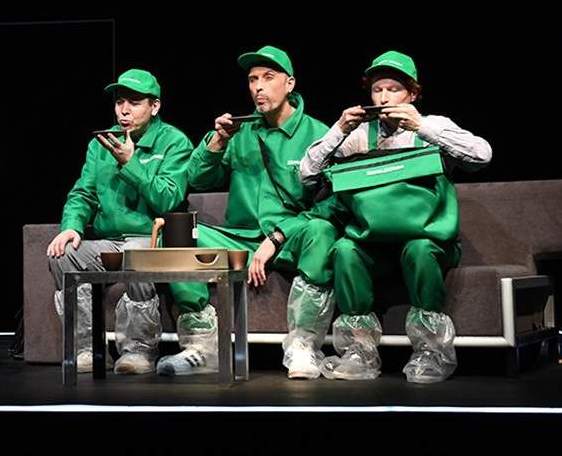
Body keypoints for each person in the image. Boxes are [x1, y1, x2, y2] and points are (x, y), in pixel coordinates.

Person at [299, 50, 492, 383]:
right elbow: (307, 175)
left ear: (412, 94)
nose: (384, 97)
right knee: (345, 249)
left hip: (427, 240)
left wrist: (423, 126)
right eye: (377, 90)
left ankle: (431, 351)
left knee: (418, 249)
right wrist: (339, 129)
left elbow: (482, 155)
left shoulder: (433, 127)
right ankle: (359, 351)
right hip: (374, 244)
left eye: (393, 89)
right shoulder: (359, 134)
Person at [169, 46, 338, 378]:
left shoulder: (320, 134)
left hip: (292, 237)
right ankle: (202, 347)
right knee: (181, 235)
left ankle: (304, 346)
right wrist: (216, 142)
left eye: (268, 78)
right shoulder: (240, 131)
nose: (258, 86)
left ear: (289, 84)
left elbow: (331, 205)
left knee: (324, 231)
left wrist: (277, 236)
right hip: (242, 238)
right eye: (252, 79)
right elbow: (198, 180)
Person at [46, 69, 193, 375]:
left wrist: (130, 162)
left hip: (151, 238)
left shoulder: (174, 142)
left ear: (155, 107)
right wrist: (71, 225)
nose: (124, 110)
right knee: (63, 256)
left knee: (138, 254)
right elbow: (82, 193)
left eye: (134, 102)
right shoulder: (101, 143)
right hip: (108, 241)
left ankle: (138, 350)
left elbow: (168, 199)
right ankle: (87, 349)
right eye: (120, 101)